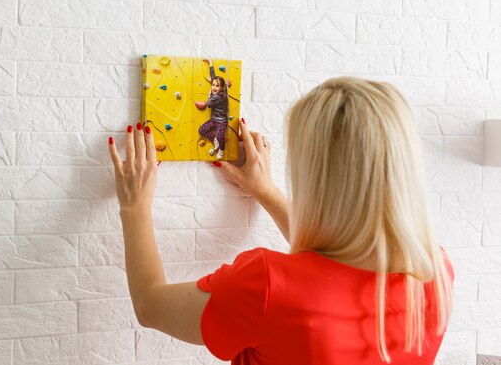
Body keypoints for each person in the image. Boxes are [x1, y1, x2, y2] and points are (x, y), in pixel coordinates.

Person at [107, 76, 454, 364]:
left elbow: (150, 305)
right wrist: (267, 191)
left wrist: (134, 207)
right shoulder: (434, 271)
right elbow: (339, 266)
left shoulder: (267, 287)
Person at [198, 58, 229, 160]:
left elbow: (209, 104)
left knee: (221, 137)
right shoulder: (217, 90)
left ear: (222, 88)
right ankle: (214, 139)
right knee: (202, 130)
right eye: (213, 85)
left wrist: (209, 95)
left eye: (217, 86)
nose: (214, 87)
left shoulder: (217, 96)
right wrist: (210, 63)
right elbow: (213, 77)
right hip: (213, 119)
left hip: (221, 122)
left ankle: (222, 149)